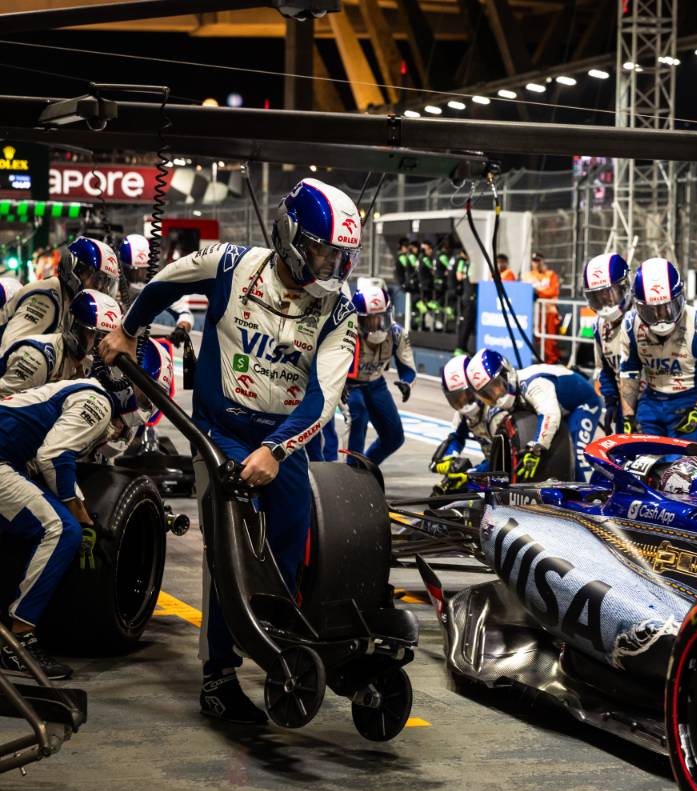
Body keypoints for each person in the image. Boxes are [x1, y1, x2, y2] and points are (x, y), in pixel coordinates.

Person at [98, 177, 360, 724]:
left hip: (281, 443)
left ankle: (275, 648)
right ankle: (217, 676)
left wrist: (275, 449)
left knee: (289, 540)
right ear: (291, 235)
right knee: (232, 550)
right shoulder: (230, 264)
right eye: (322, 250)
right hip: (218, 432)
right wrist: (128, 328)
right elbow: (166, 280)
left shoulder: (339, 311)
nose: (332, 265)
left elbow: (322, 397)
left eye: (341, 256)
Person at [0, 341, 172, 678]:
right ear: (125, 382)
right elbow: (54, 457)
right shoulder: (98, 402)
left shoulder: (85, 391)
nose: (143, 408)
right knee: (63, 530)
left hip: (10, 460)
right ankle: (18, 642)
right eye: (144, 397)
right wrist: (82, 515)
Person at [620, 258, 697, 441]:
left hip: (690, 402)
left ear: (681, 297)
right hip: (651, 402)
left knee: (682, 465)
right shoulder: (630, 324)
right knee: (638, 461)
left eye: (667, 308)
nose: (660, 317)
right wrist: (628, 416)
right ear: (638, 306)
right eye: (651, 310)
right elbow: (629, 372)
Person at [467, 348, 600, 481]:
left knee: (578, 456)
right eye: (487, 394)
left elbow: (550, 415)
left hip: (583, 404)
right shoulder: (516, 392)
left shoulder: (532, 384)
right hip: (561, 408)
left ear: (506, 373)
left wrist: (536, 449)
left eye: (496, 386)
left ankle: (591, 496)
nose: (496, 395)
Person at [0, 237, 120, 348]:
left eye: (105, 281)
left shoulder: (66, 298)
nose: (99, 287)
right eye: (97, 278)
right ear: (76, 270)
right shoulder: (47, 300)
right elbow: (10, 348)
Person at [0, 289, 122, 394]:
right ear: (74, 327)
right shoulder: (38, 357)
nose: (100, 343)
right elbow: (4, 403)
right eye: (93, 334)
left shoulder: (89, 364)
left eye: (104, 337)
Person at [345, 285, 415, 466]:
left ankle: (366, 468)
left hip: (376, 383)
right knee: (358, 415)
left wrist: (407, 383)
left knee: (395, 436)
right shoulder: (345, 331)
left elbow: (408, 368)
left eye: (380, 317)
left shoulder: (397, 333)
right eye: (369, 319)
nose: (376, 324)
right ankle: (350, 471)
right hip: (349, 385)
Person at [430, 355, 502, 490]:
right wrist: (448, 459)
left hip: (507, 465)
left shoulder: (497, 407)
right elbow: (456, 437)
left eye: (466, 396)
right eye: (456, 399)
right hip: (490, 464)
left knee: (469, 489)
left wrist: (471, 474)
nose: (463, 404)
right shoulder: (463, 415)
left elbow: (502, 457)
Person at [582, 252, 631, 434]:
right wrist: (610, 400)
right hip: (622, 404)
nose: (605, 299)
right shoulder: (599, 327)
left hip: (652, 404)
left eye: (609, 292)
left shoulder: (645, 318)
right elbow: (605, 369)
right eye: (598, 295)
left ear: (623, 287)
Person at [117, 233, 194, 345]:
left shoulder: (156, 287)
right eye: (134, 272)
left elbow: (185, 313)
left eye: (143, 271)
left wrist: (181, 329)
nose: (139, 276)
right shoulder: (111, 286)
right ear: (123, 269)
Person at [526, 253, 561, 364]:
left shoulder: (550, 274)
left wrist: (538, 292)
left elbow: (552, 291)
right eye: (534, 261)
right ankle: (542, 358)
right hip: (534, 311)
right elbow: (524, 290)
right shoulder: (528, 275)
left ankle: (552, 360)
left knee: (550, 338)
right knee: (537, 337)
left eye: (538, 260)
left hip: (549, 310)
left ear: (542, 261)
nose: (536, 263)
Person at [454, 248, 476, 356]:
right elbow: (472, 278)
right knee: (466, 323)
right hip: (469, 297)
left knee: (466, 323)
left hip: (466, 296)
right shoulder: (472, 264)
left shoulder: (465, 263)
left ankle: (462, 347)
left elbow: (459, 276)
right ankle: (460, 348)